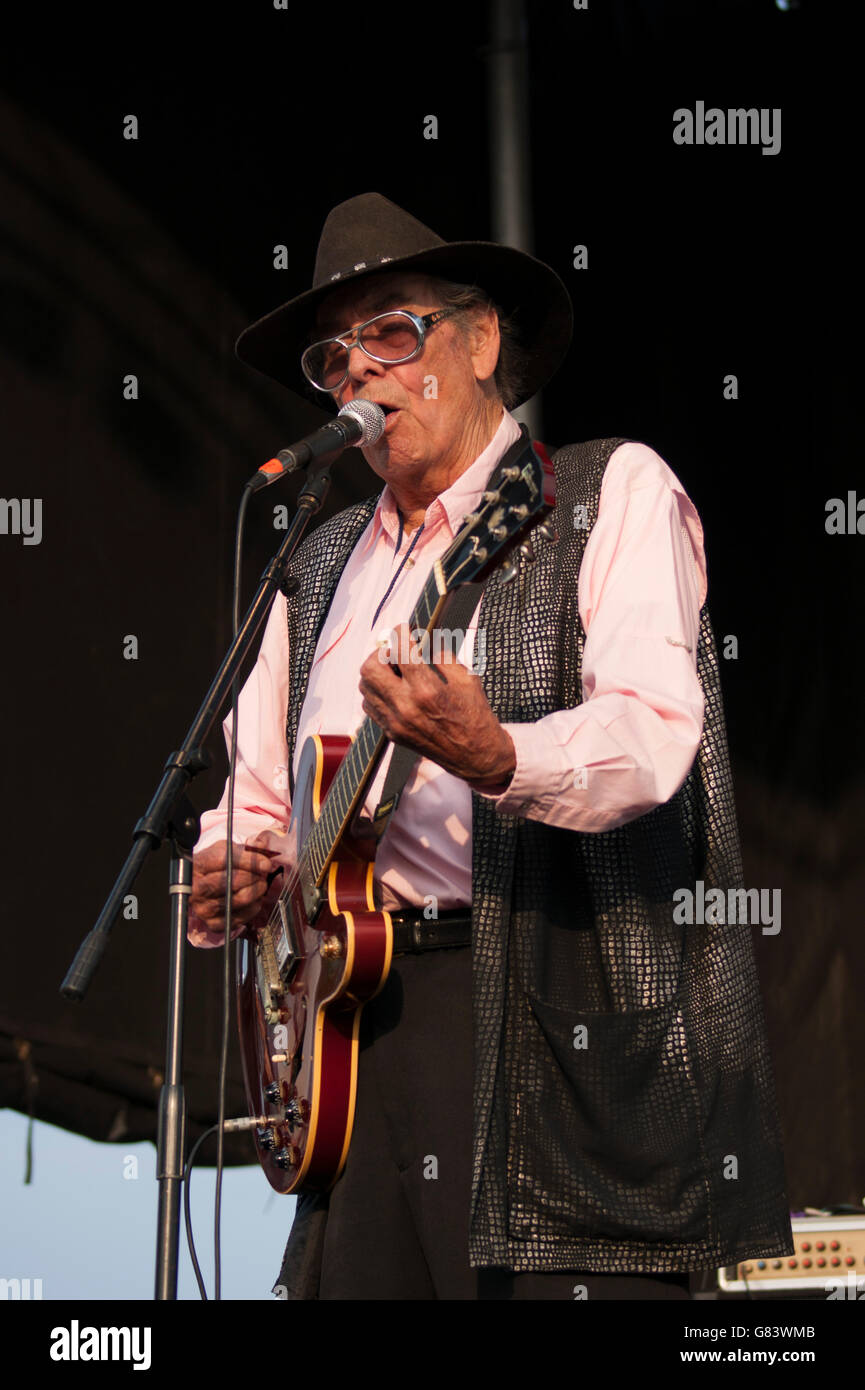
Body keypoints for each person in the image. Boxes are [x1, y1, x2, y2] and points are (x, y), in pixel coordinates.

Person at [188, 192, 793, 1300]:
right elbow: (261, 797)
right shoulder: (312, 569)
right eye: (334, 356)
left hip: (554, 1025)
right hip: (357, 1054)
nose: (358, 372)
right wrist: (238, 864)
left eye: (391, 333)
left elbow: (652, 734)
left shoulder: (602, 493)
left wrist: (498, 752)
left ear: (479, 341)